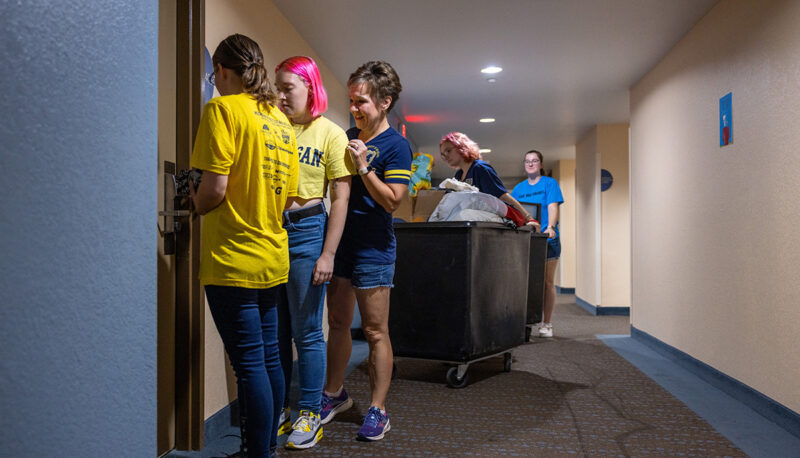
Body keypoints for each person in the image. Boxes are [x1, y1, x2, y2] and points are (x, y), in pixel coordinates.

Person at [189, 34, 298, 458]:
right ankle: (264, 446)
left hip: (232, 259)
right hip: (272, 256)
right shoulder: (281, 122)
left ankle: (258, 453)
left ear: (221, 71)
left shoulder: (222, 110)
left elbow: (213, 189)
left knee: (249, 365)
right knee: (269, 359)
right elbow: (287, 197)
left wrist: (193, 202)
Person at [321, 61, 412, 441]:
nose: (354, 108)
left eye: (361, 102)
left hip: (374, 250)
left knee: (375, 331)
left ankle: (378, 409)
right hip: (341, 246)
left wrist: (363, 167)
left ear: (385, 101)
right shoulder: (343, 135)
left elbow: (394, 201)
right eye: (351, 101)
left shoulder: (397, 146)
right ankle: (333, 394)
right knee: (339, 325)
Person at [273, 56, 354, 450]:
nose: (280, 95)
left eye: (288, 88)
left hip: (307, 230)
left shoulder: (330, 134)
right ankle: (280, 411)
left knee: (306, 329)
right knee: (276, 330)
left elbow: (340, 198)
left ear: (310, 87)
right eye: (278, 87)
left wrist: (328, 254)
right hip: (270, 231)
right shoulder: (272, 127)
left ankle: (309, 411)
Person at [511, 150, 564, 338]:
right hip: (527, 239)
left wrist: (550, 226)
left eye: (534, 161)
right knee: (523, 281)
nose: (531, 164)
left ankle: (547, 323)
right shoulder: (518, 189)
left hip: (547, 238)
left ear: (541, 164)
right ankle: (523, 320)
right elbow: (515, 212)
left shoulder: (550, 184)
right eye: (527, 161)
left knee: (547, 282)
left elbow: (552, 206)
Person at [439, 132, 539, 228]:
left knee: (464, 215)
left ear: (461, 146)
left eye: (448, 151)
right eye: (443, 154)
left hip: (489, 221)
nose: (446, 156)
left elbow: (502, 195)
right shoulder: (458, 175)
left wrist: (529, 218)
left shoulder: (480, 168)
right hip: (472, 225)